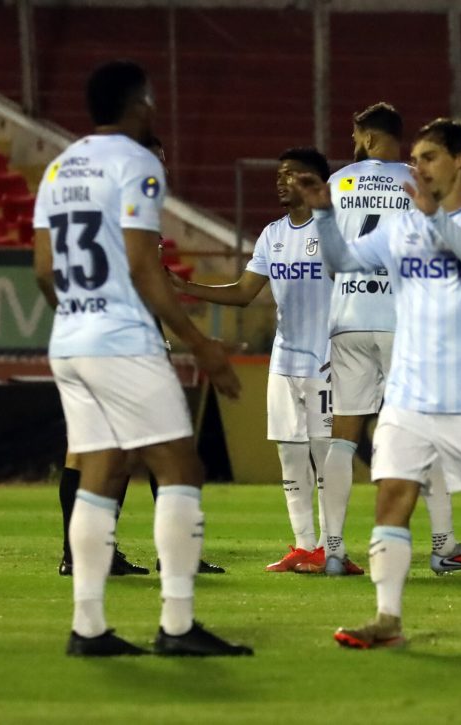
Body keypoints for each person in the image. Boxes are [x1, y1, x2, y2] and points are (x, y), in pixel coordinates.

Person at [297, 118, 461, 648]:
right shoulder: (401, 225)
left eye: (429, 157)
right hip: (409, 394)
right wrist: (323, 214)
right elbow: (343, 261)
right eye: (414, 159)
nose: (418, 167)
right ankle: (387, 620)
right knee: (392, 495)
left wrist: (438, 221)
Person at [33, 60, 251, 656]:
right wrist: (200, 344)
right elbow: (141, 264)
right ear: (139, 104)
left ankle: (88, 628)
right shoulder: (137, 162)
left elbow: (44, 269)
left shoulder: (59, 166)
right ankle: (177, 626)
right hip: (123, 340)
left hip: (71, 340)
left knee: (101, 474)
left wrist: (78, 316)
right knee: (179, 466)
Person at [310, 102, 461, 577]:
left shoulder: (337, 183)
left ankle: (333, 550)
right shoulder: (418, 181)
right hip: (404, 323)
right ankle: (443, 544)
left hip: (348, 318)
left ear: (369, 138)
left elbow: (330, 259)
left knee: (343, 437)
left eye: (356, 136)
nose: (354, 144)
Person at [172, 147, 360, 573]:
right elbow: (243, 291)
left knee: (325, 455)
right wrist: (184, 288)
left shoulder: (334, 231)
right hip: (284, 360)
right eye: (279, 174)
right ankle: (304, 546)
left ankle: (333, 548)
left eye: (290, 174)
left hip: (327, 360)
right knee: (290, 455)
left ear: (314, 181)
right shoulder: (272, 234)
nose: (280, 181)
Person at [57, 133, 223, 578]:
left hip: (84, 334)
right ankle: (174, 556)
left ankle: (81, 555)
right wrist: (190, 338)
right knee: (167, 446)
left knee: (88, 449)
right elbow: (144, 277)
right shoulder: (134, 207)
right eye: (154, 159)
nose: (161, 168)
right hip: (128, 337)